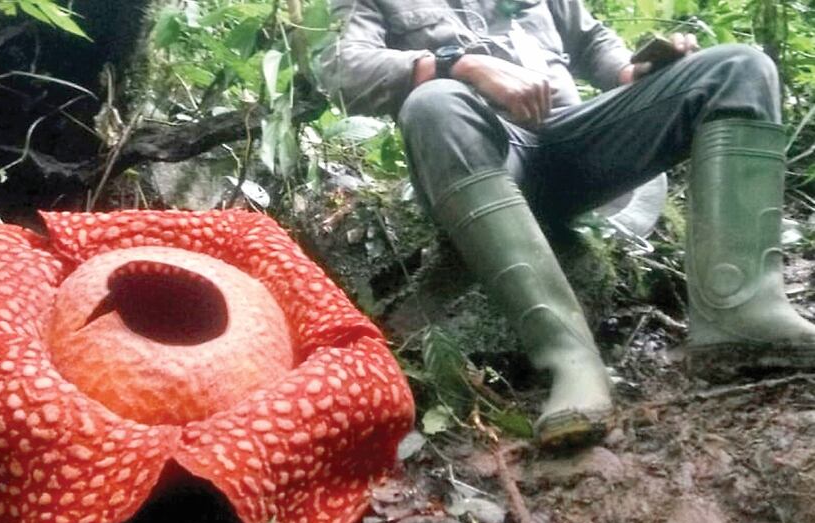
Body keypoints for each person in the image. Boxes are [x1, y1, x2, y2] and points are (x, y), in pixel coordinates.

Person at [318, 0, 815, 447]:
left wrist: (637, 69)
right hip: (479, 152)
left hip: (575, 146)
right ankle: (571, 361)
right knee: (433, 103)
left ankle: (740, 310)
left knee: (740, 67)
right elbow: (342, 69)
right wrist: (461, 65)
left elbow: (596, 46)